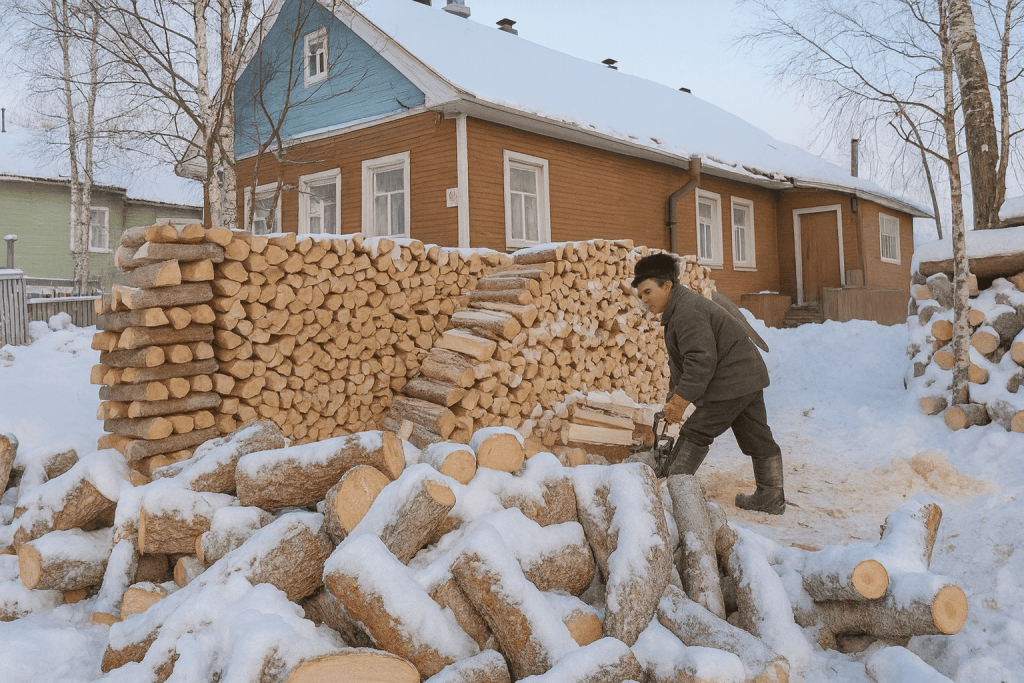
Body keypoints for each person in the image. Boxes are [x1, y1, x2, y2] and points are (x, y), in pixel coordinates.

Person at [632, 252, 786, 515]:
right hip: (746, 375)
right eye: (640, 295)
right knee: (756, 435)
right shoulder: (679, 309)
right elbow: (682, 363)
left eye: (648, 292)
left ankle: (672, 491)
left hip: (732, 380)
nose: (644, 300)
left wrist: (680, 402)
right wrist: (674, 397)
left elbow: (701, 361)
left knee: (696, 431)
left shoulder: (687, 311)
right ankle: (771, 496)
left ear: (666, 285)